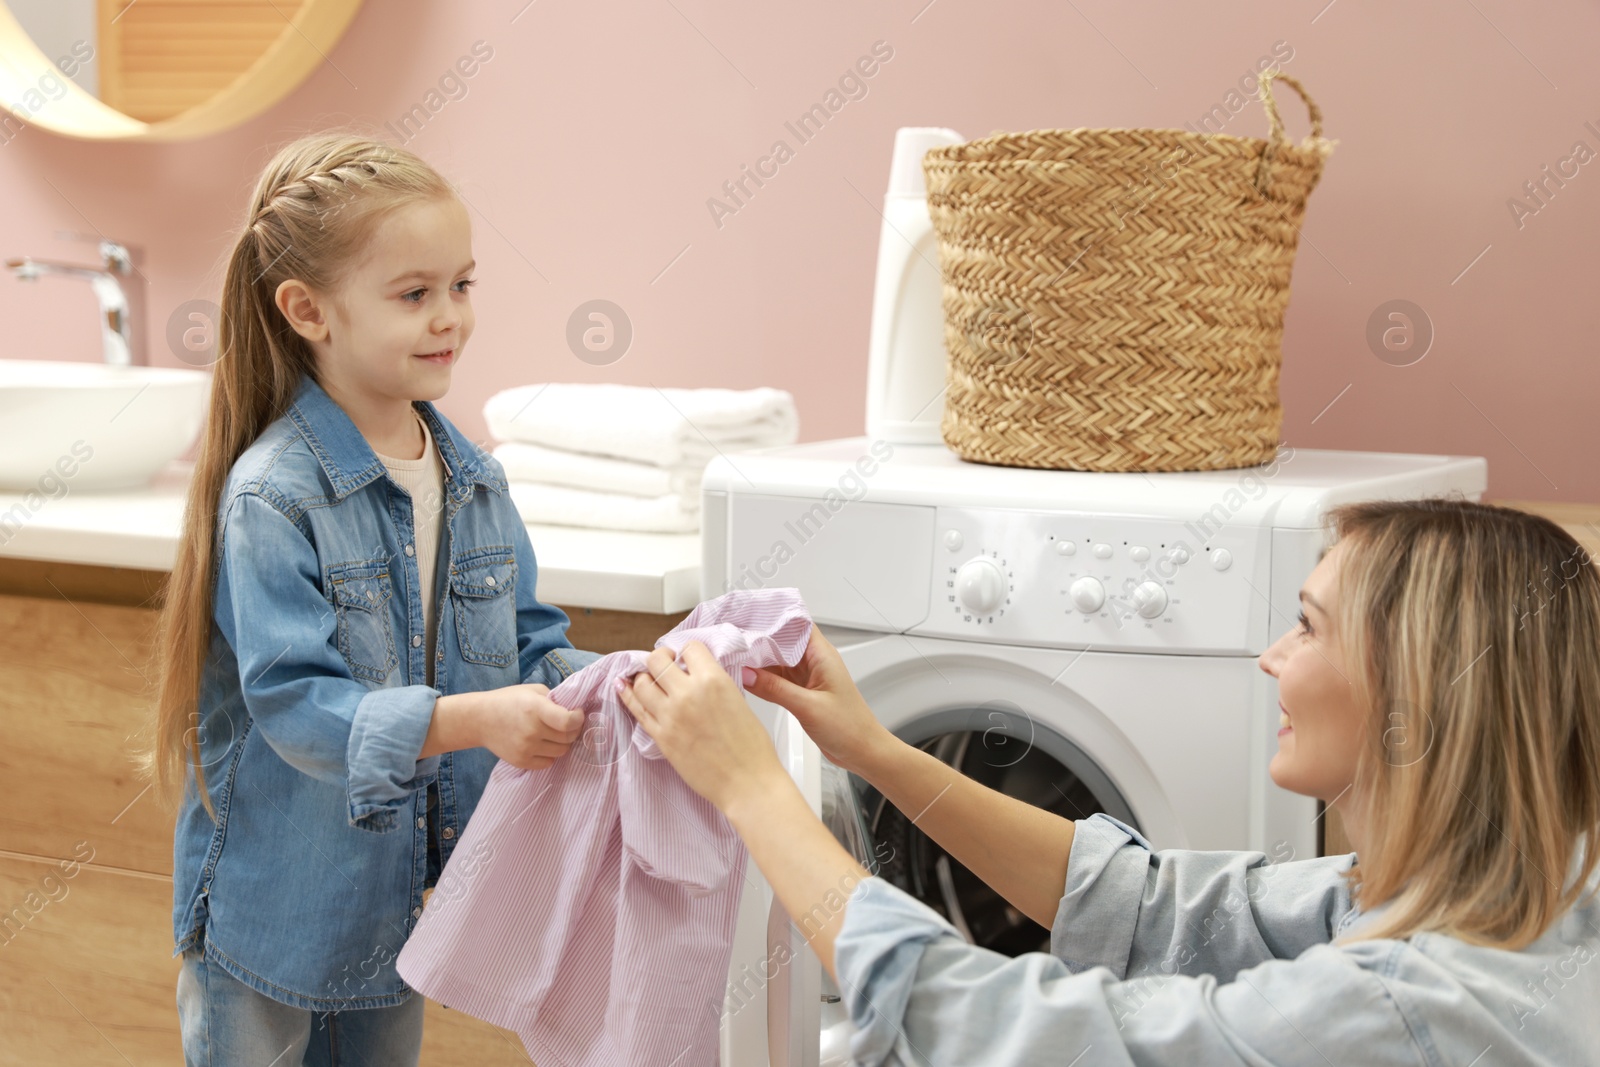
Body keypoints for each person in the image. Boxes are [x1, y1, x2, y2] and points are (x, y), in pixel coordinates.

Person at [619, 498, 1600, 1065]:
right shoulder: (1526, 895)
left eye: (1305, 625)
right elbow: (1153, 904)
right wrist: (872, 749)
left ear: (1413, 696)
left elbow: (1007, 1032)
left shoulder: (1407, 1009)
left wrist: (753, 790)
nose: (1269, 656)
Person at [143, 132, 598, 1064]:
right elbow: (297, 704)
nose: (450, 320)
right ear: (308, 310)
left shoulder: (474, 481)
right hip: (273, 908)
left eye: (462, 286)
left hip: (392, 915)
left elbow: (526, 643)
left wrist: (623, 681)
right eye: (413, 294)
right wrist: (478, 718)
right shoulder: (275, 495)